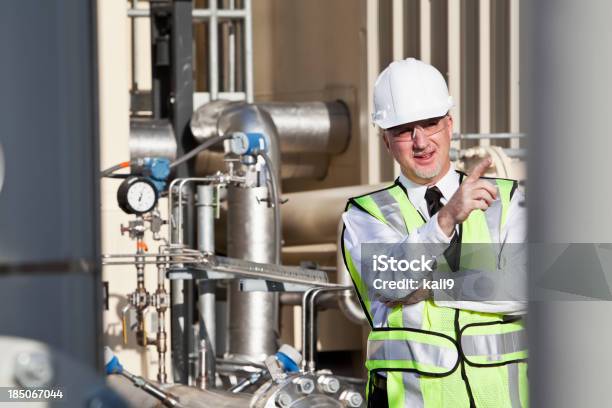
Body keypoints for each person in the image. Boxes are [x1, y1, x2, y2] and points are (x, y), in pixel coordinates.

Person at [341, 58, 527, 407]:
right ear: (386, 140)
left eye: (430, 124)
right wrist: (445, 220)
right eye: (403, 130)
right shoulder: (365, 214)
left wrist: (427, 287)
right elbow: (388, 283)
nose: (420, 141)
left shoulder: (505, 198)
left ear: (450, 124)